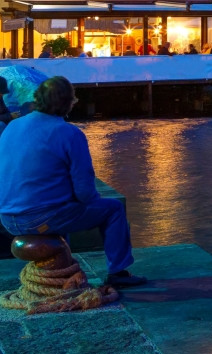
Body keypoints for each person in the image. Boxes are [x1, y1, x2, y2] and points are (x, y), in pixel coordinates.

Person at [0, 77, 145, 288]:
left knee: (62, 204)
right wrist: (91, 203)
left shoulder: (12, 126)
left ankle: (62, 267)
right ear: (69, 103)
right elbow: (85, 192)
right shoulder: (69, 133)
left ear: (37, 100)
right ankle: (118, 272)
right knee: (112, 209)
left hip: (6, 218)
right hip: (38, 219)